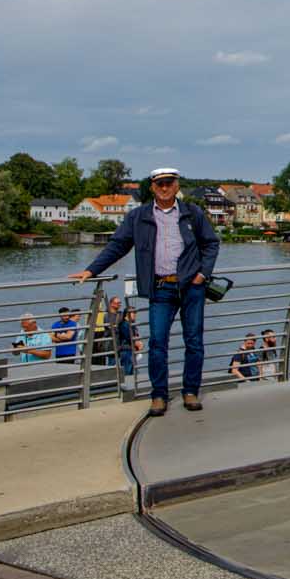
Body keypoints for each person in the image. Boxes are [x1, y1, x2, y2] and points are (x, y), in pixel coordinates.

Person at [72, 166, 220, 415]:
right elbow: (118, 246)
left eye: (169, 183)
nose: (164, 188)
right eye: (159, 183)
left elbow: (211, 243)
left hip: (191, 287)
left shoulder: (191, 213)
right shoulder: (138, 216)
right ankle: (159, 395)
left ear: (177, 185)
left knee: (194, 341)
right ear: (152, 187)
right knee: (157, 343)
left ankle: (190, 391)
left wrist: (202, 274)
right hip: (160, 287)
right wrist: (91, 270)